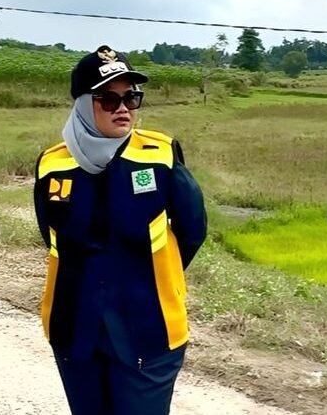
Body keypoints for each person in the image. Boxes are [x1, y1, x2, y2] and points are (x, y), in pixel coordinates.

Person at [33, 45, 208, 415]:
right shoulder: (52, 165)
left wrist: (154, 275)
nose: (123, 108)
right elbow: (51, 235)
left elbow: (192, 230)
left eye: (131, 97)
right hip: (75, 327)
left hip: (149, 326)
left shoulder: (159, 156)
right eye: (108, 99)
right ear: (83, 104)